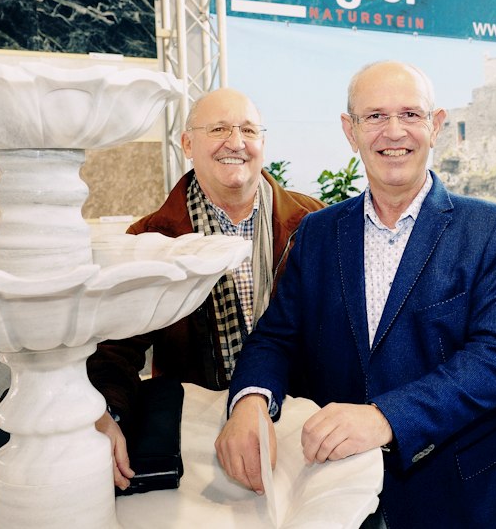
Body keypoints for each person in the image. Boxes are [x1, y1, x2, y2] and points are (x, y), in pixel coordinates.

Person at [214, 61, 496, 528]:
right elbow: (276, 337)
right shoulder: (317, 233)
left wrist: (386, 417)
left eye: (411, 114)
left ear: (436, 125)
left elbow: (494, 359)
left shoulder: (491, 229)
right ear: (351, 131)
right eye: (376, 116)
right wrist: (249, 401)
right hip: (335, 492)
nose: (394, 132)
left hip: (460, 496)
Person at [87, 88, 324, 490]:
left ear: (262, 142)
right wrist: (104, 414)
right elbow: (113, 347)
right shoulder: (152, 238)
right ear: (187, 144)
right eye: (218, 129)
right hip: (197, 440)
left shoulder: (314, 223)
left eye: (248, 130)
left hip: (301, 427)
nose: (236, 142)